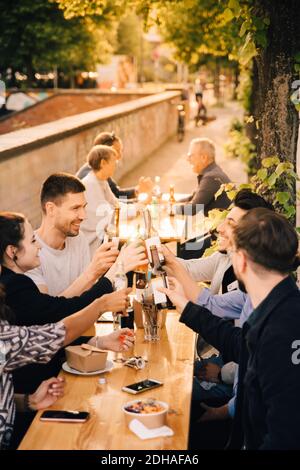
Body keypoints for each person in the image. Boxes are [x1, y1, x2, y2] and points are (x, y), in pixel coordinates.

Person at [160, 208, 300, 449]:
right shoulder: (276, 304)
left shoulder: (282, 329)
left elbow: (284, 435)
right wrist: (187, 309)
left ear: (241, 260)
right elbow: (240, 345)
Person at [0, 211, 138, 392]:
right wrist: (109, 283)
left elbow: (41, 335)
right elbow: (61, 315)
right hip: (37, 389)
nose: (39, 247)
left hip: (38, 392)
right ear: (12, 251)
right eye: (33, 241)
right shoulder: (14, 285)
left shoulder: (16, 281)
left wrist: (96, 341)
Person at [26, 173, 146, 296]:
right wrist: (93, 271)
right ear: (51, 209)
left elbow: (86, 297)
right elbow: (48, 312)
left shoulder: (79, 238)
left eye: (84, 207)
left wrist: (115, 269)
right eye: (75, 208)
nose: (84, 216)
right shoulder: (29, 254)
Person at [76, 131, 153, 198]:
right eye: (116, 151)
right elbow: (110, 207)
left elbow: (116, 195)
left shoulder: (100, 170)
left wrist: (137, 191)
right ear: (105, 151)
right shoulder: (92, 177)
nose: (119, 156)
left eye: (120, 151)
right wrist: (138, 204)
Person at [80, 145, 125, 253]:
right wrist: (133, 210)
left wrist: (134, 208)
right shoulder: (89, 183)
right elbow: (107, 215)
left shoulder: (102, 181)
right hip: (92, 241)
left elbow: (115, 203)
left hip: (103, 233)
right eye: (114, 162)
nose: (116, 165)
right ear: (103, 163)